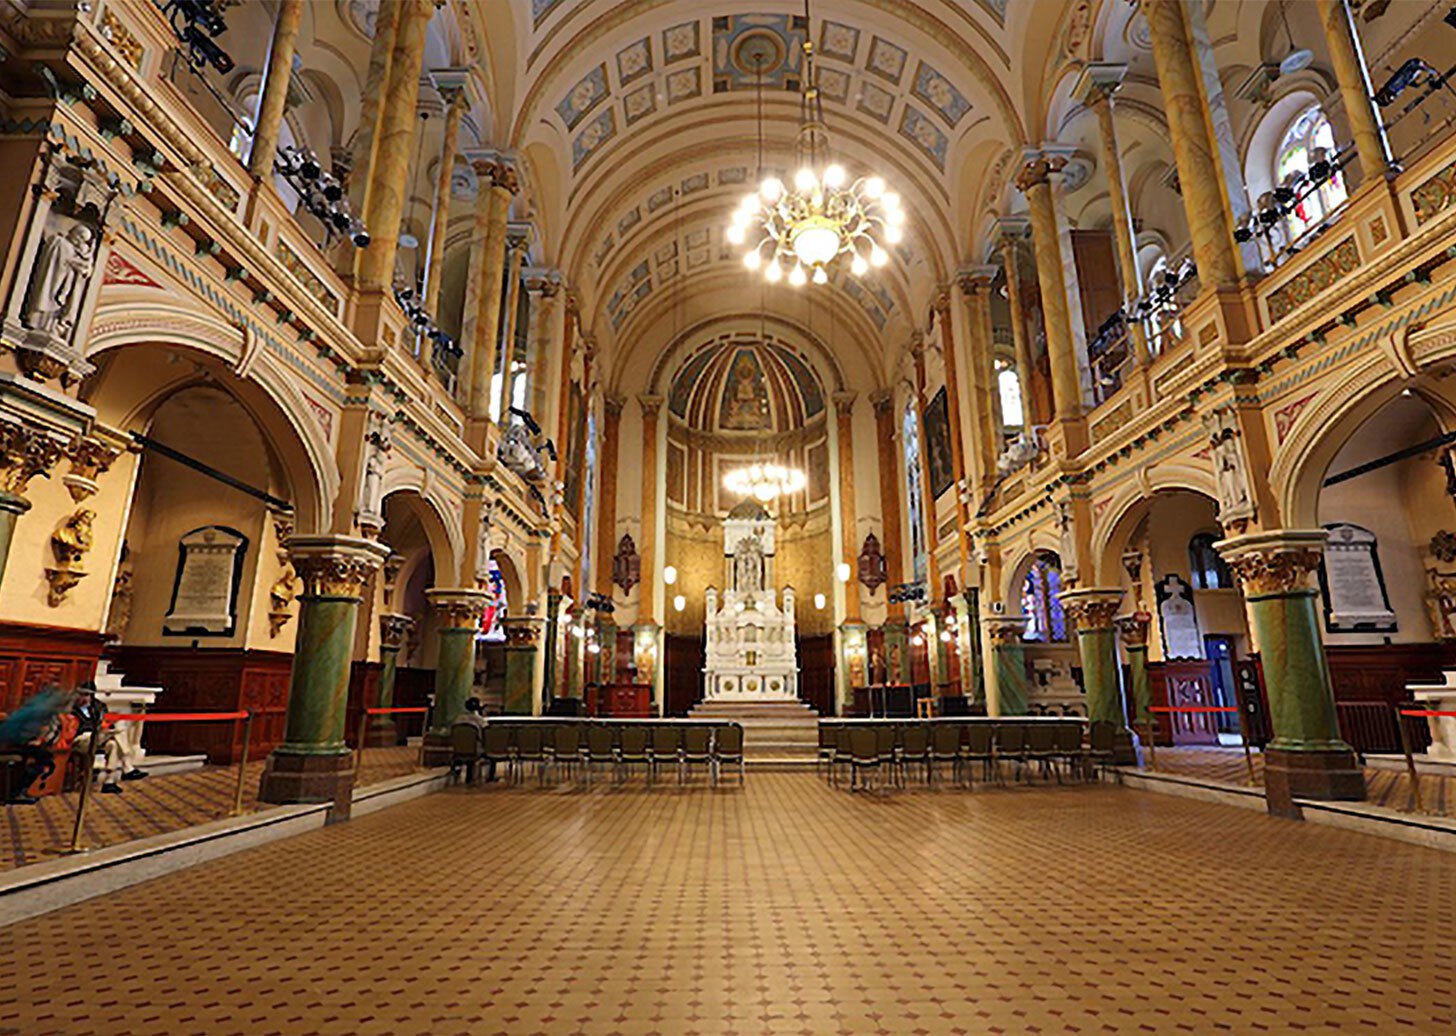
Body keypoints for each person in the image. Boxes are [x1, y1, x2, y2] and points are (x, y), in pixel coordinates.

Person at [70, 685, 148, 795]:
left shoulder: (97, 706)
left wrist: (105, 729)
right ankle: (127, 765)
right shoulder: (71, 707)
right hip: (81, 738)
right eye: (82, 695)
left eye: (87, 695)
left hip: (99, 736)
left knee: (113, 744)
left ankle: (109, 781)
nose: (85, 698)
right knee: (118, 731)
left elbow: (105, 722)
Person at [454, 697, 494, 781]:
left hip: (458, 748)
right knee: (491, 755)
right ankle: (491, 777)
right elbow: (487, 732)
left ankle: (456, 769)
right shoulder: (480, 720)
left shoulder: (458, 719)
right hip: (475, 749)